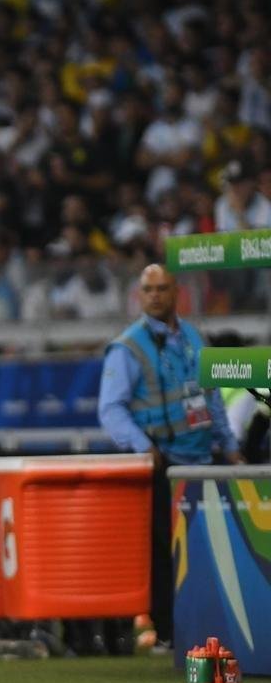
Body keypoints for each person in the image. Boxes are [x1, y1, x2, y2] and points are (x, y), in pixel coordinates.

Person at [98, 264, 241, 646]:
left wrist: (229, 446)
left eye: (162, 288)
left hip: (203, 461)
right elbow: (110, 409)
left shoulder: (195, 337)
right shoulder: (128, 347)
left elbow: (213, 398)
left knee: (208, 550)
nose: (156, 296)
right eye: (148, 290)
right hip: (166, 464)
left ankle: (210, 629)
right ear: (139, 296)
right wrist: (143, 446)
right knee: (165, 552)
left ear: (176, 291)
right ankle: (167, 631)